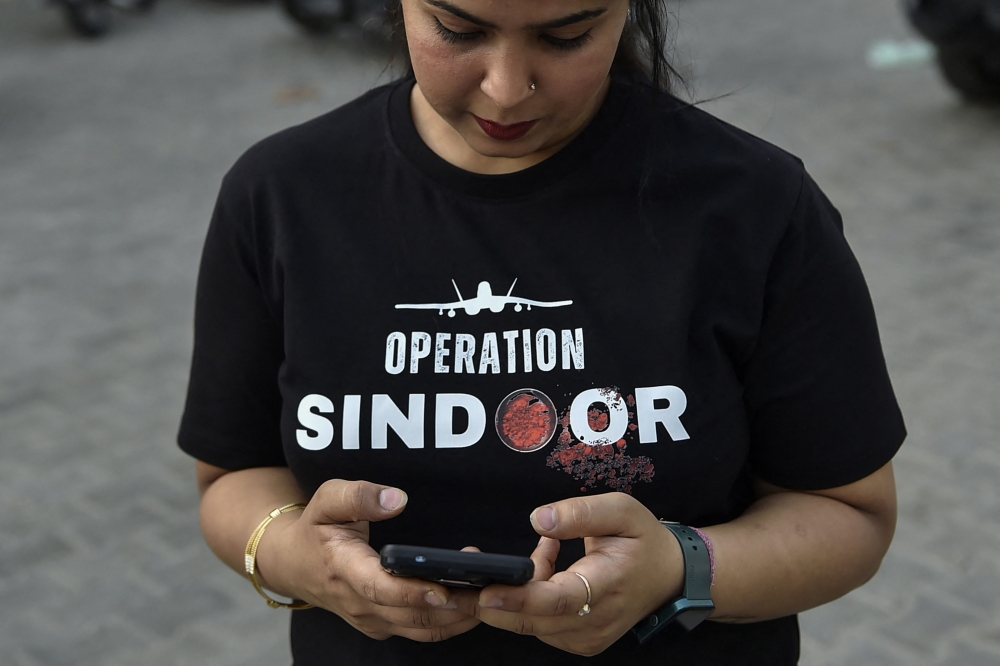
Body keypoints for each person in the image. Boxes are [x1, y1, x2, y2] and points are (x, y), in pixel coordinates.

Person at [178, 0, 906, 663]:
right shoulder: (279, 194)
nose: (505, 87)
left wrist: (679, 567)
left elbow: (849, 514)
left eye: (566, 37)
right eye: (459, 31)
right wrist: (297, 556)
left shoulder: (755, 204)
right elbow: (230, 477)